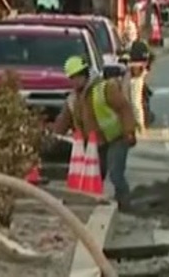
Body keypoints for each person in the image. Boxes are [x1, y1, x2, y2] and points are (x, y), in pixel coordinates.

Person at [51, 55, 139, 209]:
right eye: (72, 78)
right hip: (96, 144)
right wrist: (51, 137)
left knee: (116, 174)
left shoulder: (105, 88)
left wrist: (129, 131)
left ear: (85, 74)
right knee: (96, 174)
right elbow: (63, 121)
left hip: (116, 138)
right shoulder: (73, 99)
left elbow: (124, 108)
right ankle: (96, 203)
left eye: (77, 76)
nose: (75, 81)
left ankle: (125, 205)